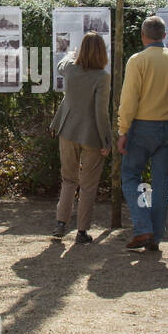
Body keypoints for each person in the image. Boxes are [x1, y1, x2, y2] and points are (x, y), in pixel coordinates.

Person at [117, 15, 168, 252]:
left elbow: (129, 99)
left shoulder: (138, 61)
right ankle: (155, 236)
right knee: (160, 184)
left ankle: (143, 226)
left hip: (142, 127)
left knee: (130, 176)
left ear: (143, 36)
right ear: (164, 36)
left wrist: (123, 130)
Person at [50, 31, 112, 244]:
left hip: (67, 130)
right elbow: (101, 113)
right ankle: (82, 231)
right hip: (91, 136)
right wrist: (107, 140)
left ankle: (61, 223)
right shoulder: (102, 77)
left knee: (68, 179)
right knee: (88, 185)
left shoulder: (70, 69)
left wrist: (71, 53)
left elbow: (63, 63)